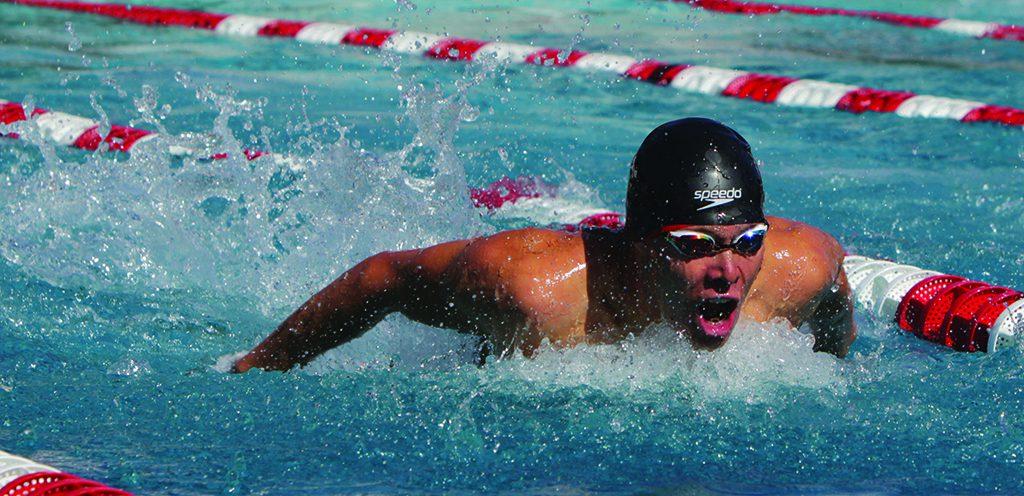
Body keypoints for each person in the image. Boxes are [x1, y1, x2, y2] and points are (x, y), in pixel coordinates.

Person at [232, 118, 855, 373]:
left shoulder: (803, 265)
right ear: (639, 244)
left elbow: (835, 313)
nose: (727, 271)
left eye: (745, 242)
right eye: (694, 244)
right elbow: (382, 279)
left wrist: (835, 364)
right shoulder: (535, 288)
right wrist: (259, 367)